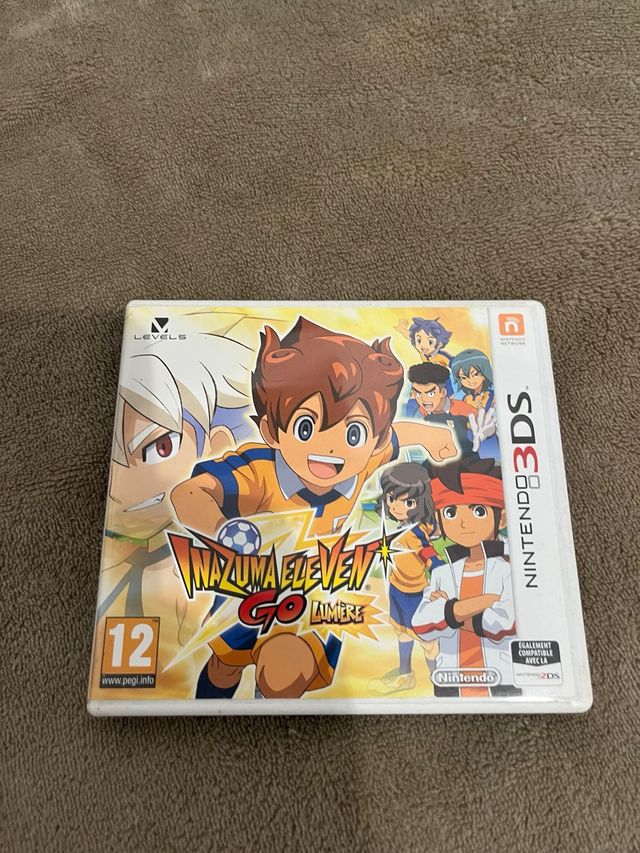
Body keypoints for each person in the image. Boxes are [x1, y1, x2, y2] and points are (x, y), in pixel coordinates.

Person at [172, 316, 459, 700]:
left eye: (353, 433)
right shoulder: (259, 470)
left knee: (285, 673)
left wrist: (431, 435)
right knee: (225, 668)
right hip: (248, 593)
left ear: (372, 443)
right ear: (272, 431)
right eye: (306, 428)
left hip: (314, 599)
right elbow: (189, 493)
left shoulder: (361, 463)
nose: (330, 448)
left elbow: (395, 435)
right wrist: (224, 529)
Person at [94, 332, 253, 697]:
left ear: (216, 447)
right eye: (120, 460)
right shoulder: (123, 558)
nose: (122, 485)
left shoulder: (212, 551)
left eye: (159, 447)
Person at [412, 458, 520, 698]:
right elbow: (422, 624)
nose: (462, 522)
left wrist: (449, 612)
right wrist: (483, 601)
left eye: (478, 511)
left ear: (501, 519)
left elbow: (505, 624)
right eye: (450, 512)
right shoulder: (442, 573)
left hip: (501, 680)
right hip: (449, 680)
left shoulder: (510, 569)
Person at [367, 463, 442, 695]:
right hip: (398, 589)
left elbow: (428, 553)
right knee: (401, 632)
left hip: (416, 595)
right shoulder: (401, 526)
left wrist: (438, 572)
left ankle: (439, 678)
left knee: (427, 641)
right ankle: (405, 674)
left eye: (407, 502)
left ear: (419, 503)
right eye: (391, 498)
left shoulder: (416, 532)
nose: (396, 506)